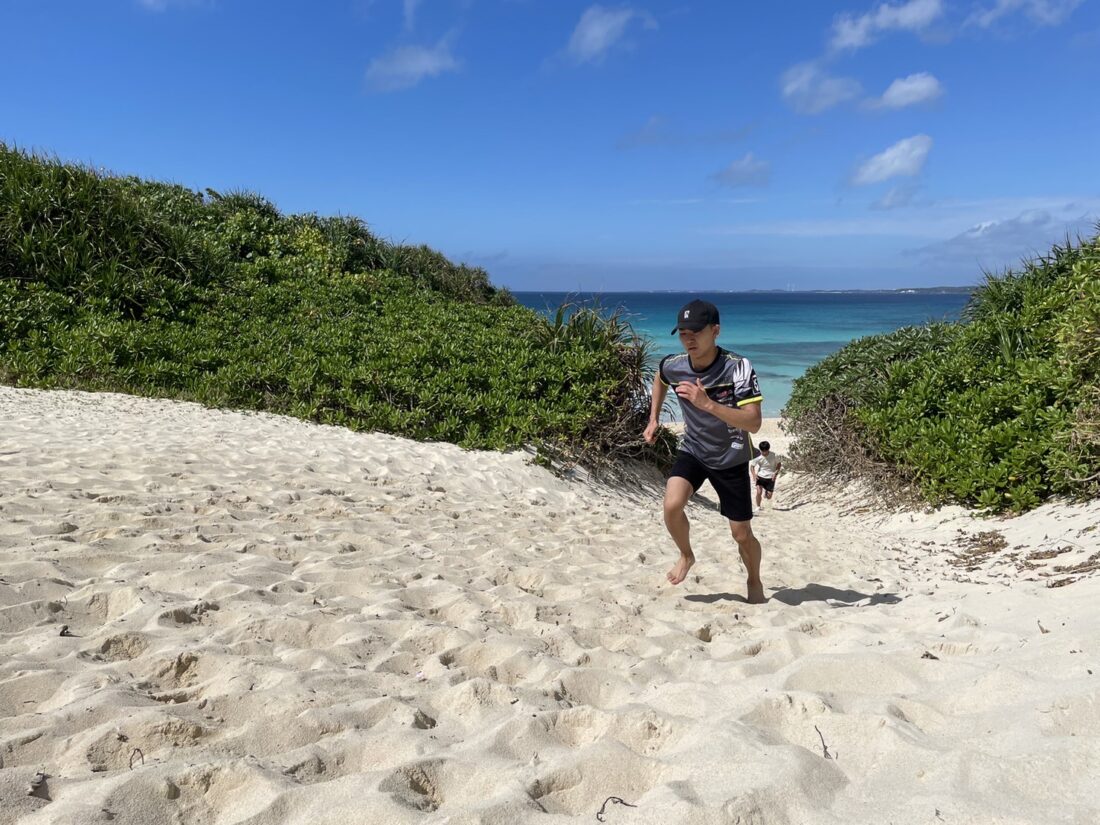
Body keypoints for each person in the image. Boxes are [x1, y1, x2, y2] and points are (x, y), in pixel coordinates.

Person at [643, 299, 766, 604]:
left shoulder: (738, 367)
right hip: (694, 450)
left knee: (741, 534)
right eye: (683, 333)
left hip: (731, 457)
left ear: (715, 331)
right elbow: (660, 377)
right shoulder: (675, 365)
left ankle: (754, 579)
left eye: (696, 332)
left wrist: (708, 404)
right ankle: (686, 555)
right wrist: (653, 418)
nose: (689, 339)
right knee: (671, 505)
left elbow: (754, 423)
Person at [750, 441, 783, 511]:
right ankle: (758, 506)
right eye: (762, 451)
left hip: (770, 477)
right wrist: (754, 475)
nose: (764, 453)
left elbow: (779, 464)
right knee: (759, 492)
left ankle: (766, 493)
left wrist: (775, 473)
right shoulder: (758, 456)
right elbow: (752, 466)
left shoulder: (774, 455)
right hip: (760, 476)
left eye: (766, 451)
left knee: (769, 497)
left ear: (768, 449)